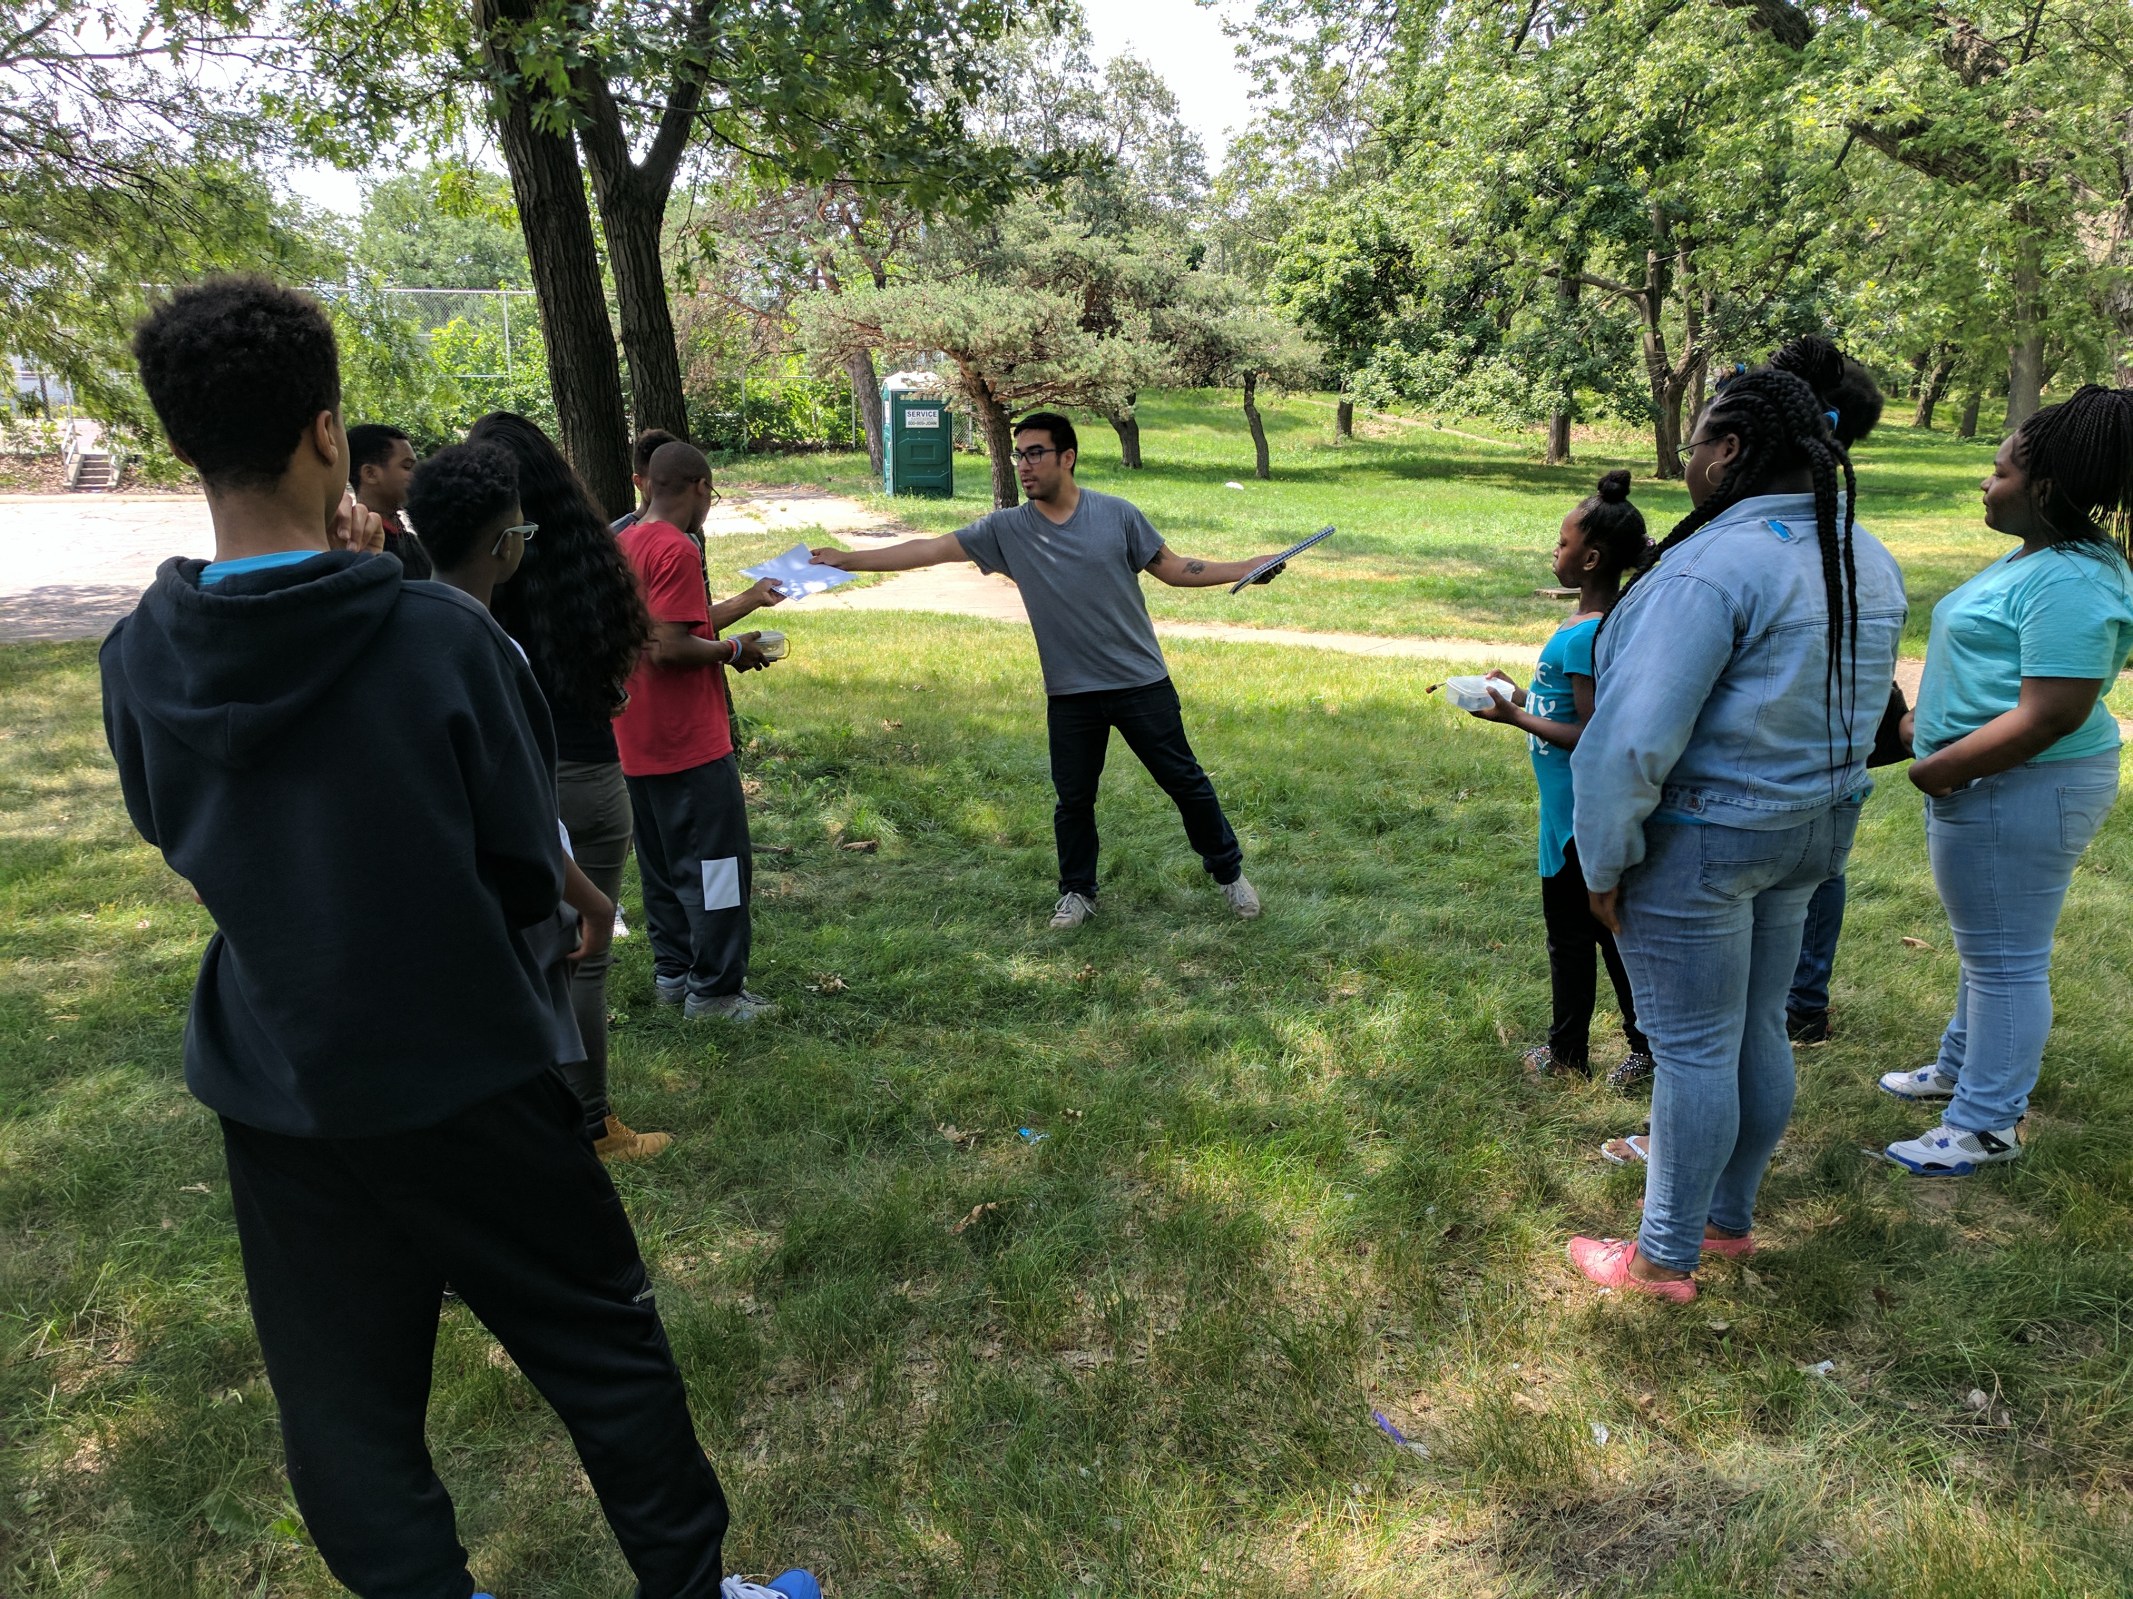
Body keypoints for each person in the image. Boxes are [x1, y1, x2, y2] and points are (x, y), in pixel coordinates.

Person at [102, 276, 817, 1599]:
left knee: (345, 1405)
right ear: (328, 432)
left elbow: (181, 839)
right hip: (466, 1068)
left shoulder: (139, 653)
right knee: (604, 1349)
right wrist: (571, 906)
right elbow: (522, 862)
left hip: (277, 1084)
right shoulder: (436, 631)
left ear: (183, 442)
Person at [1564, 363, 1908, 1301]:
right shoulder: (1861, 550)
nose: (1686, 460)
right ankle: (1726, 1221)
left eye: (1695, 441)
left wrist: (1602, 862)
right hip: (1810, 829)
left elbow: (1626, 742)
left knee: (1691, 1048)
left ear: (1726, 450)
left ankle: (1660, 1258)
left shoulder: (1709, 567)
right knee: (1754, 1025)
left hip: (1706, 841)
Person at [810, 411, 1292, 928]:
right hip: (1071, 693)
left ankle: (1229, 875)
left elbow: (1173, 569)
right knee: (1073, 801)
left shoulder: (1117, 515)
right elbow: (929, 549)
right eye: (1019, 455)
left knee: (1186, 783)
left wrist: (1245, 567)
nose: (1024, 465)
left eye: (1035, 453)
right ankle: (1077, 892)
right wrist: (847, 559)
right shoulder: (1006, 529)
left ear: (1068, 457)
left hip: (1140, 683)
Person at [1881, 386, 2133, 1175]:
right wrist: (1926, 725)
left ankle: (1985, 1122)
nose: (1985, 484)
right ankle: (1962, 1067)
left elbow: (2051, 711)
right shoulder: (2043, 556)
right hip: (1995, 781)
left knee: (2004, 957)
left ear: (2044, 488)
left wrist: (1939, 765)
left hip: (2021, 785)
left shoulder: (2069, 579)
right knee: (1986, 943)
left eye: (1997, 473)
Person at [405, 442, 673, 1163]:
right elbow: (523, 812)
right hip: (569, 809)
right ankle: (584, 1125)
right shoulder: (500, 652)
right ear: (504, 544)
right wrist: (591, 901)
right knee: (566, 964)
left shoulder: (397, 632)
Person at [1463, 470, 1655, 1087]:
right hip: (1563, 816)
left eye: (1563, 543)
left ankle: (1617, 1050)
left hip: (1580, 817)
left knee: (1591, 938)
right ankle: (1589, 1050)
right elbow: (1564, 708)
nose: (1555, 551)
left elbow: (1595, 736)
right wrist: (1517, 693)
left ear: (1591, 558)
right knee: (1584, 936)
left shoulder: (1589, 633)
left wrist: (1514, 716)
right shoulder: (1586, 624)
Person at [616, 440, 786, 1022]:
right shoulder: (677, 547)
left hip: (637, 739)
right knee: (718, 869)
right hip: (687, 742)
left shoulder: (627, 541)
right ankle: (714, 991)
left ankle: (673, 973)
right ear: (701, 488)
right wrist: (734, 651)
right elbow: (670, 647)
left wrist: (748, 603)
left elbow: (670, 624)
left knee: (662, 865)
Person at [1762, 336, 1894, 1046]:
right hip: (1838, 764)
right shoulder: (1864, 548)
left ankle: (1790, 1001)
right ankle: (1804, 1003)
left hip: (1772, 767)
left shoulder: (1769, 542)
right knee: (1822, 870)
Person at [347, 421, 430, 578]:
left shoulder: (411, 540)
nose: (417, 474)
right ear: (370, 474)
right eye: (407, 467)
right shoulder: (354, 546)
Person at [613, 426, 683, 534]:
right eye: (661, 480)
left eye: (677, 479)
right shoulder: (614, 536)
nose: (670, 487)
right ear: (638, 482)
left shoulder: (686, 534)